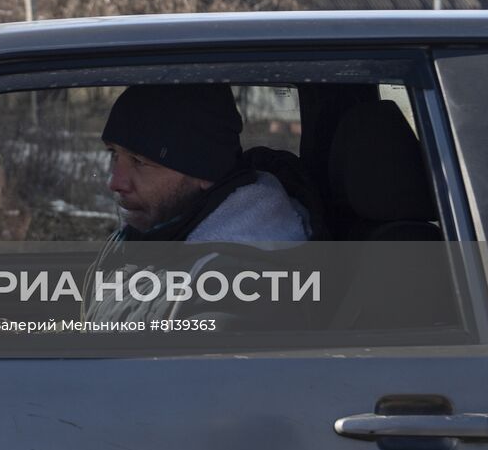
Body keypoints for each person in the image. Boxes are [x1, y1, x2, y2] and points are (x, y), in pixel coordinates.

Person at [83, 84, 316, 325]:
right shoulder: (139, 238)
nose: (115, 181)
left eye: (140, 161)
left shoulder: (241, 291)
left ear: (205, 171)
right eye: (114, 154)